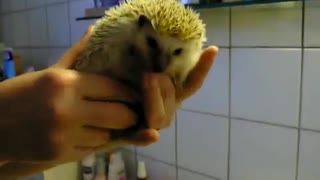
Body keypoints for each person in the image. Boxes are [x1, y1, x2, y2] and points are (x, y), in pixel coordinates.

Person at [0, 26, 218, 179]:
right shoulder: (119, 40)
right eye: (152, 43)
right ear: (139, 27)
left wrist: (98, 138)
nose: (161, 62)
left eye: (177, 52)